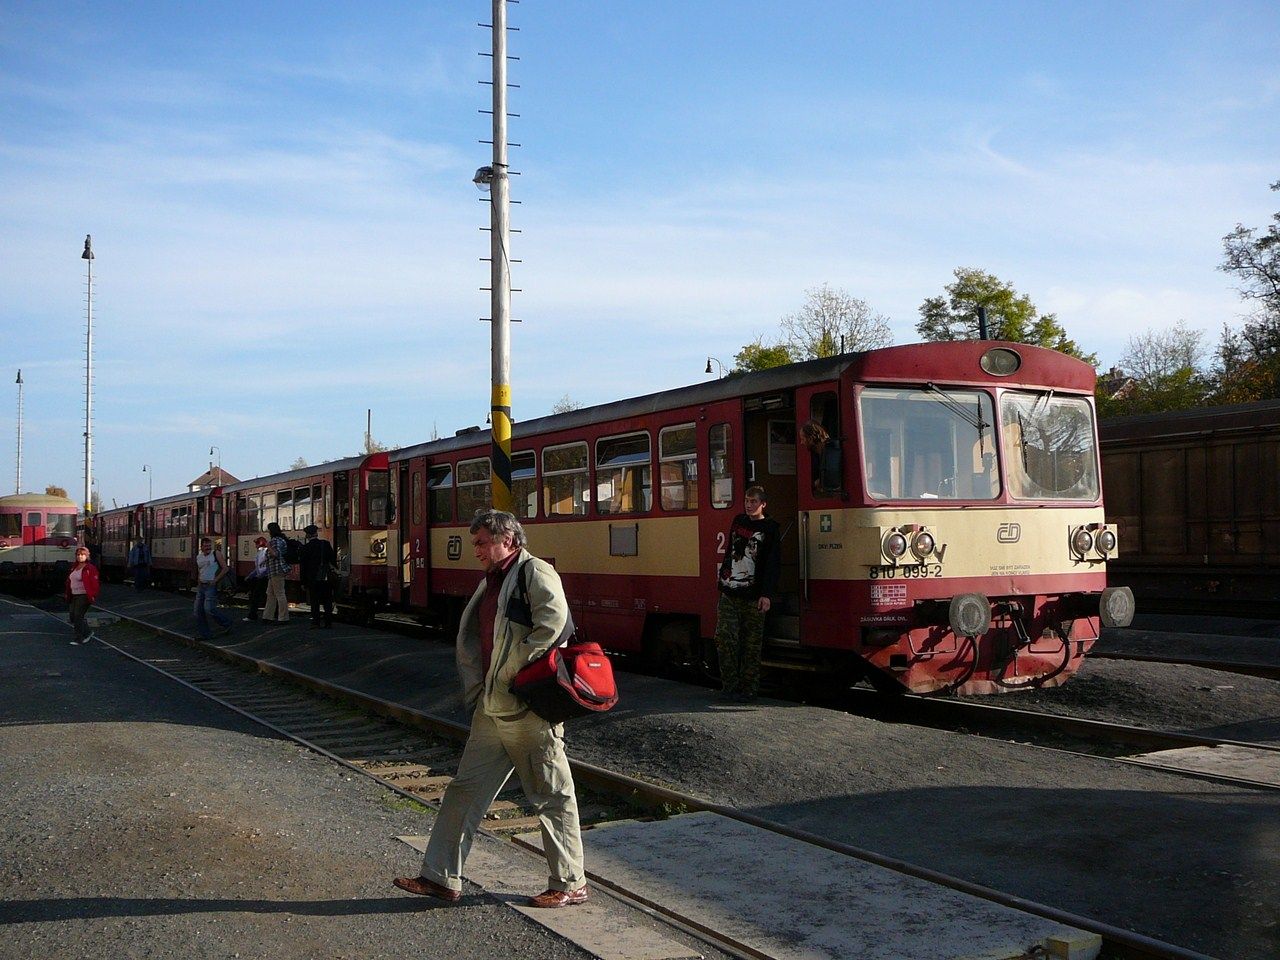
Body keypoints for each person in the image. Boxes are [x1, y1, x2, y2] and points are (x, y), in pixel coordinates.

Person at [394, 509, 587, 908]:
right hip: (493, 706)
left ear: (509, 540)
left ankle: (570, 883)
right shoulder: (494, 580)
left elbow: (554, 624)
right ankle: (441, 878)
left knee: (551, 794)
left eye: (483, 542)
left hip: (528, 707)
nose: (476, 550)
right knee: (464, 791)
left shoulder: (535, 573)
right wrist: (490, 685)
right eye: (475, 543)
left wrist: (510, 669)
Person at [714, 486, 780, 700]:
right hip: (729, 591)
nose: (749, 505)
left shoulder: (770, 528)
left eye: (753, 501)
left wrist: (767, 594)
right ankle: (729, 687)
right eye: (747, 501)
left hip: (754, 595)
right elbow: (730, 552)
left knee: (751, 645)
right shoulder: (738, 521)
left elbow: (772, 563)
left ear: (763, 504)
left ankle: (749, 691)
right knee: (724, 639)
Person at [193, 537, 234, 640]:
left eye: (209, 546)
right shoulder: (199, 557)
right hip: (202, 585)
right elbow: (200, 571)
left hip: (211, 585)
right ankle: (205, 634)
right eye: (205, 546)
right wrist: (198, 583)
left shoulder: (216, 554)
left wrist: (215, 580)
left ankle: (226, 622)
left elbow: (225, 568)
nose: (207, 548)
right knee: (198, 611)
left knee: (209, 608)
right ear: (201, 547)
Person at [300, 524, 336, 628]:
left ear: (307, 535)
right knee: (327, 600)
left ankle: (316, 622)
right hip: (325, 576)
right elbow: (332, 560)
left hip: (312, 578)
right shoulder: (325, 544)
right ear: (316, 533)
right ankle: (328, 622)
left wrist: (303, 582)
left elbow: (303, 566)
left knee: (314, 601)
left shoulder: (305, 548)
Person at [66, 545, 100, 646]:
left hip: (84, 595)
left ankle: (79, 638)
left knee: (78, 616)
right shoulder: (74, 567)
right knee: (73, 616)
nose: (80, 557)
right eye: (78, 555)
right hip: (74, 595)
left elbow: (95, 582)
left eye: (82, 555)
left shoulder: (89, 568)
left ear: (86, 556)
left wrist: (93, 594)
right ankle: (88, 632)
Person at [799, 419, 842, 495]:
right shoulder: (815, 455)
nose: (801, 443)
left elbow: (831, 477)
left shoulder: (832, 451)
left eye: (803, 439)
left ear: (811, 438)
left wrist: (820, 482)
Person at [263, 521, 291, 623]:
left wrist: (268, 546)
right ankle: (267, 616)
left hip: (277, 570)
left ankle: (283, 618)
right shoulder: (280, 540)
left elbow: (275, 554)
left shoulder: (275, 541)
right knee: (270, 593)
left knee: (279, 594)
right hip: (273, 571)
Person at [243, 536, 270, 622]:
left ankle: (252, 615)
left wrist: (256, 575)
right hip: (263, 576)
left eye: (256, 543)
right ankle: (272, 614)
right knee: (266, 596)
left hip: (264, 577)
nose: (255, 545)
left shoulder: (263, 552)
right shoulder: (262, 552)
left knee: (256, 596)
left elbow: (263, 567)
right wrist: (251, 575)